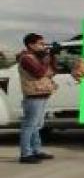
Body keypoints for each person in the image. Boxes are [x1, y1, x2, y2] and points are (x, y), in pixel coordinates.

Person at [16, 33, 59, 164]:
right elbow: (40, 72)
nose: (43, 46)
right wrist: (46, 57)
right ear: (31, 44)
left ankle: (36, 150)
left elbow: (53, 71)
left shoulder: (37, 57)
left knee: (37, 125)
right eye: (40, 43)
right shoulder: (26, 58)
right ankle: (25, 154)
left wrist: (53, 56)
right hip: (33, 96)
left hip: (42, 94)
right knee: (29, 125)